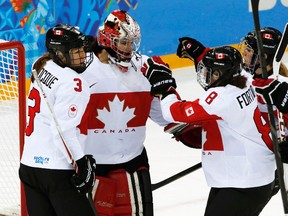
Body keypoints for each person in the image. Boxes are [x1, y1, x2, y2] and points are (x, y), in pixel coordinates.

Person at [141, 46, 276, 216]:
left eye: (210, 72)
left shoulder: (222, 99)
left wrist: (166, 87)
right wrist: (199, 53)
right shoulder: (245, 80)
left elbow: (174, 113)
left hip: (244, 182)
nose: (205, 75)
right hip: (244, 175)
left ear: (220, 74)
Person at [78, 10, 170, 215]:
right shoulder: (83, 69)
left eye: (132, 42)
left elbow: (163, 115)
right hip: (91, 167)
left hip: (132, 164)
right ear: (107, 40)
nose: (129, 49)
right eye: (123, 42)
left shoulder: (144, 67)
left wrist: (169, 95)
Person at [19, 24, 97, 216]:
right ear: (60, 53)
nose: (82, 55)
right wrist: (81, 163)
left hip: (29, 167)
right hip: (56, 172)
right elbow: (62, 131)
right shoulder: (73, 82)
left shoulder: (41, 64)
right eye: (76, 50)